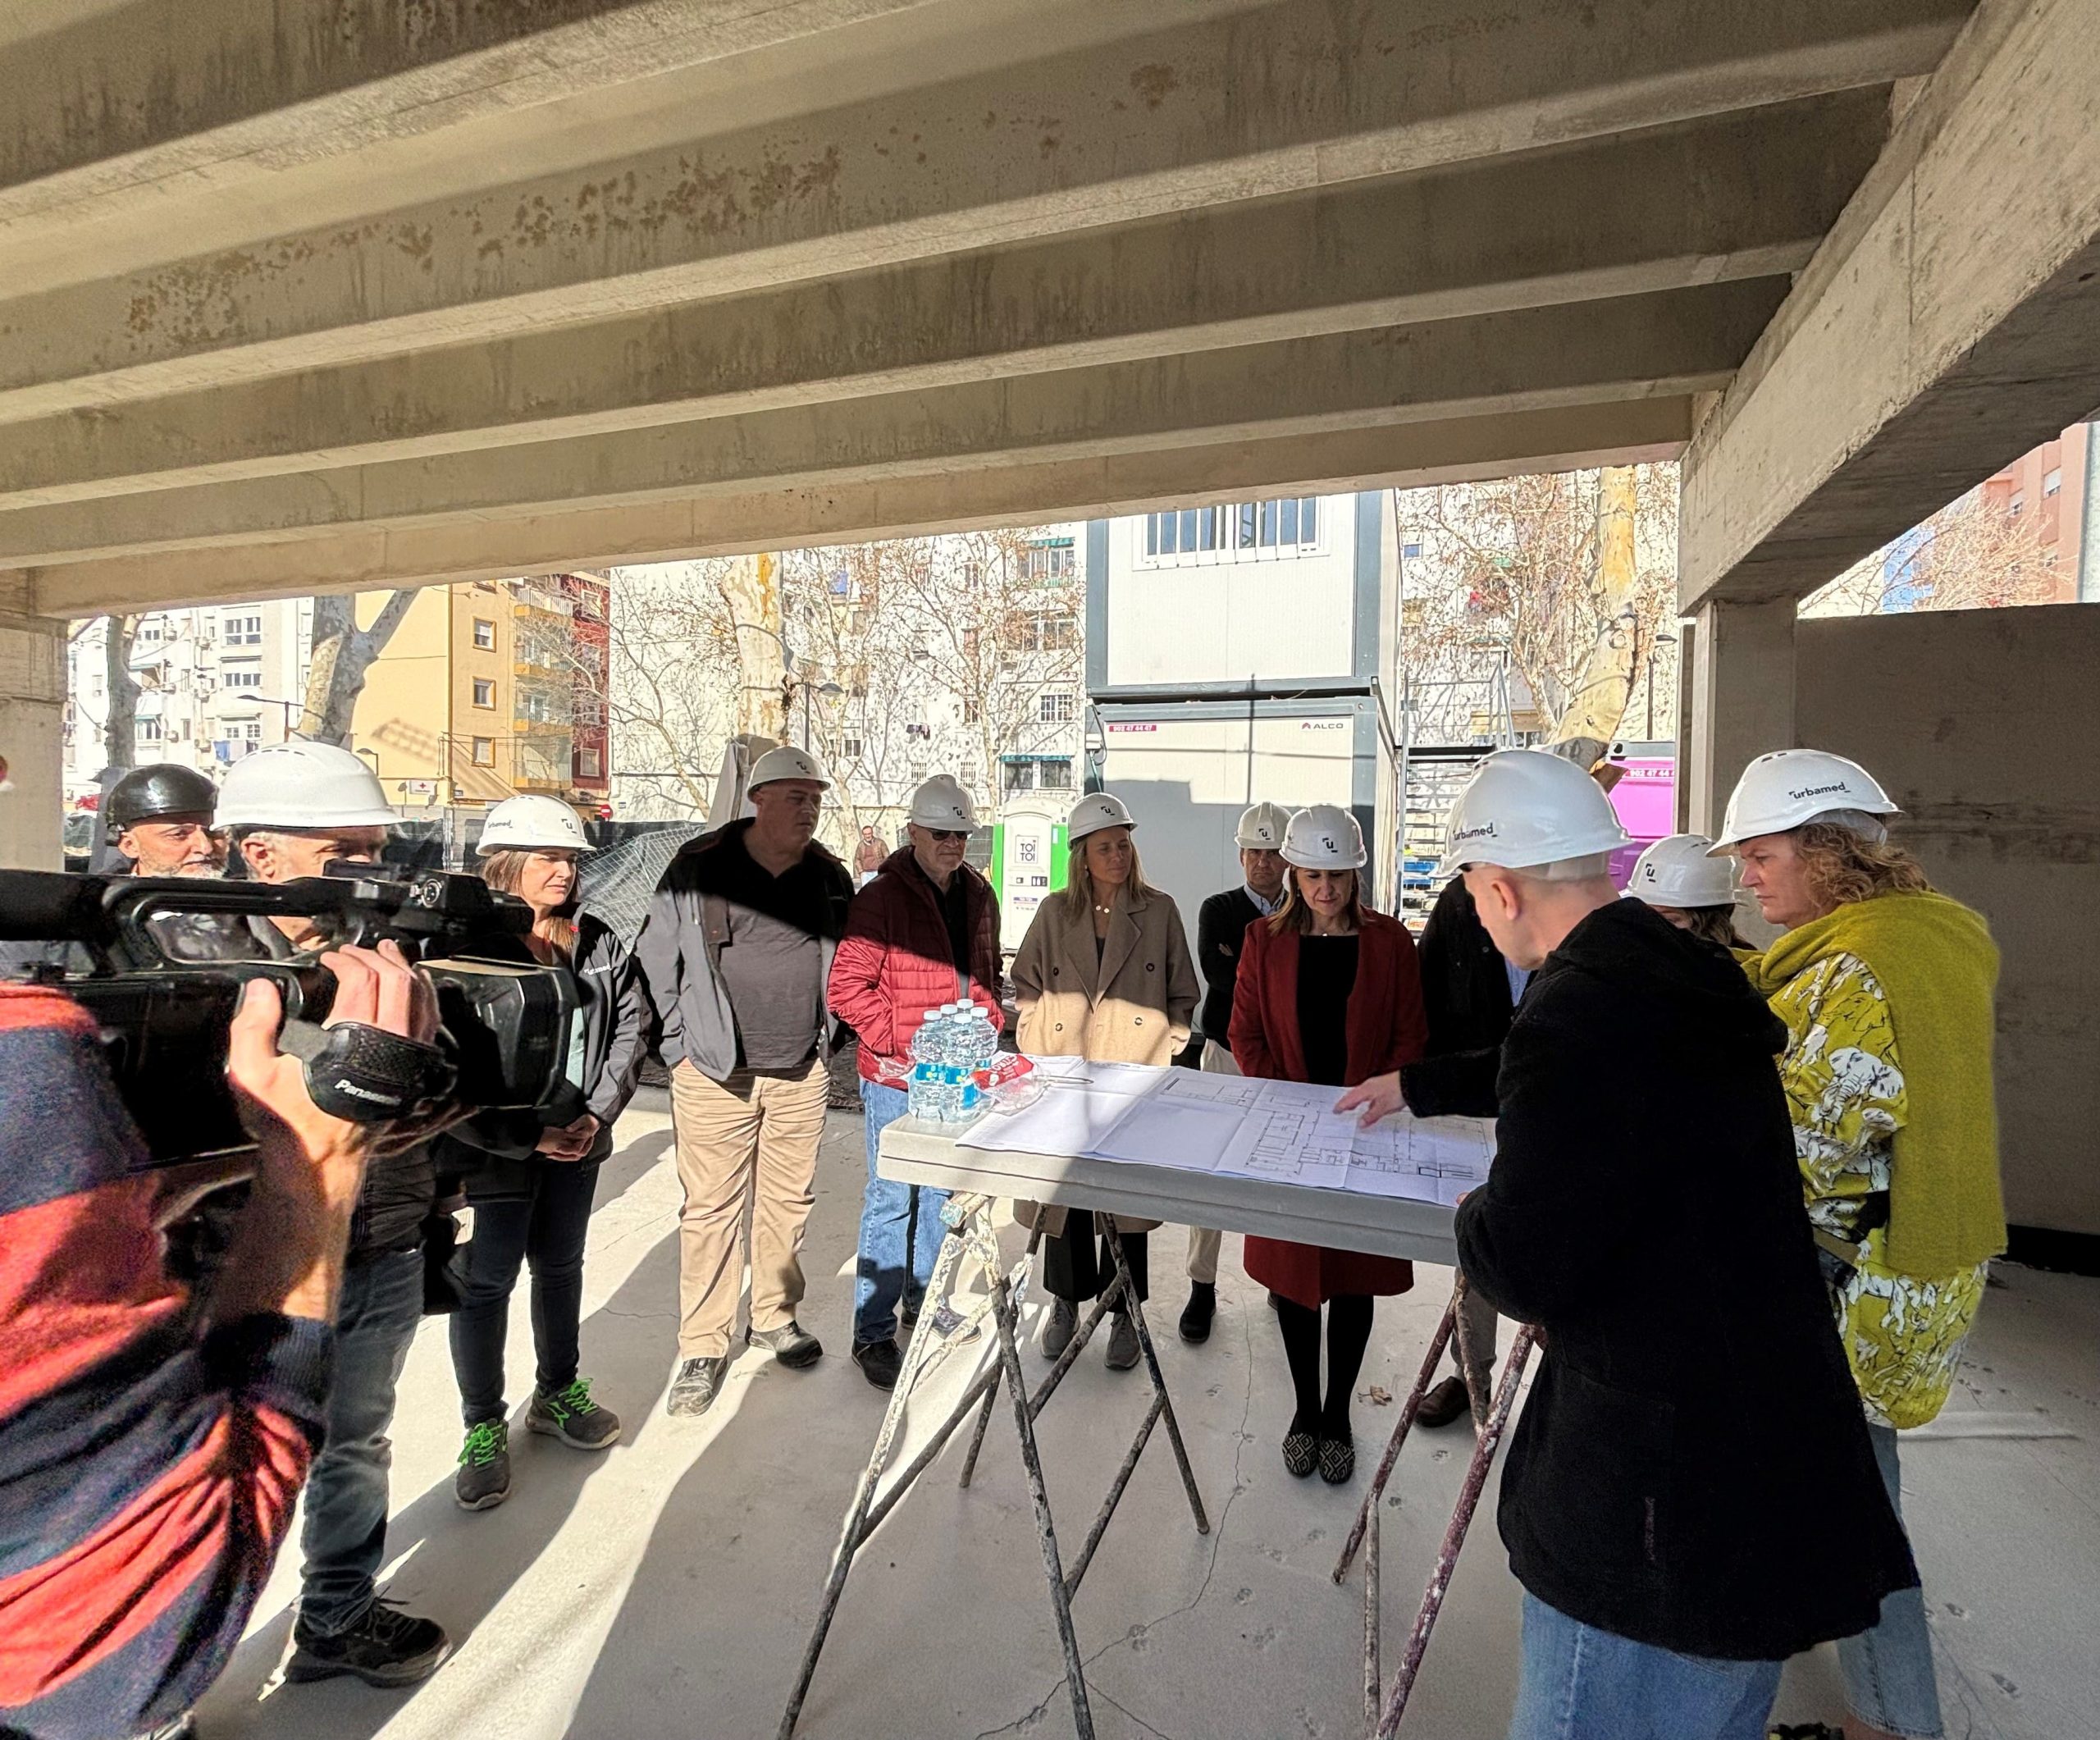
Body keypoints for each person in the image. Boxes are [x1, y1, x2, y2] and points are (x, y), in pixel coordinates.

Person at [1422, 748, 1915, 1740]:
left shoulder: (1579, 1011)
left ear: (1504, 887)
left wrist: (1478, 1206)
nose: (1475, 914)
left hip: (1655, 1505)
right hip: (1746, 1474)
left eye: (1473, 891)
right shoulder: (1687, 978)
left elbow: (1523, 1260)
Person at [0, 939, 439, 1740]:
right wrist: (315, 1166)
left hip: (367, 1262)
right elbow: (143, 1623)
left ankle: (339, 1607)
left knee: (360, 1440)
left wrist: (151, 1187)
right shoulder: (24, 1057)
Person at [1714, 749, 2004, 1740]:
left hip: (1848, 1287)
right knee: (1850, 1506)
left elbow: (1802, 1146)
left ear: (1825, 851)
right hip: (1911, 1267)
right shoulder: (1928, 939)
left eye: (1759, 856)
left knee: (1854, 1521)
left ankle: (1895, 1725)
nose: (1745, 879)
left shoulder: (1858, 968)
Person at [199, 741, 455, 1689]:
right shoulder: (195, 960)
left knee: (357, 1441)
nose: (368, 872)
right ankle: (175, 1674)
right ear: (260, 853)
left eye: (376, 849)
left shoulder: (389, 957)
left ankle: (337, 1617)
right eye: (343, 849)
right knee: (212, 1461)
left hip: (380, 1238)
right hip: (235, 1260)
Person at [637, 744, 855, 1419]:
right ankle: (704, 1345)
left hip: (799, 1071)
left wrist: (829, 1041)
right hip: (712, 1074)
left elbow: (846, 965)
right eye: (797, 797)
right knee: (710, 1213)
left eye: (816, 798)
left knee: (789, 1204)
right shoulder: (700, 867)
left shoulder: (828, 875)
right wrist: (677, 1046)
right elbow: (654, 958)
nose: (810, 809)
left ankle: (773, 1316)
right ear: (758, 800)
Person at [444, 797, 650, 1510]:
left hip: (578, 1137)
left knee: (560, 1266)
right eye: (549, 858)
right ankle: (482, 1427)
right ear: (506, 864)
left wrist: (594, 1114)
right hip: (495, 1144)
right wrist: (524, 1134)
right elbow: (450, 1059)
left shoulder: (598, 941)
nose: (563, 871)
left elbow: (630, 1026)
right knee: (488, 1278)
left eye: (570, 860)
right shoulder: (463, 943)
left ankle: (557, 1391)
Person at [1229, 806, 1427, 1484]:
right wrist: (1289, 1101)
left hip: (1364, 1131)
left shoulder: (1391, 943)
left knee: (1351, 1276)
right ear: (1292, 871)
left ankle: (1339, 1409)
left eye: (1337, 874)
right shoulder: (1263, 940)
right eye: (1312, 874)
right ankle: (1304, 1408)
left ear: (1355, 872)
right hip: (1291, 1134)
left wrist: (1375, 1095)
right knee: (1295, 1278)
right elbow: (1245, 1033)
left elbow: (1409, 1035)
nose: (1325, 888)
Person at [1010, 791, 1198, 1372]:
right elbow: (1026, 985)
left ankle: (1123, 1311)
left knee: (1125, 1203)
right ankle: (1065, 1302)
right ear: (1082, 854)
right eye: (1105, 846)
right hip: (1063, 1076)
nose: (1118, 854)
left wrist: (1162, 1049)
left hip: (1131, 1078)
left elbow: (1182, 993)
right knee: (1062, 1198)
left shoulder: (1158, 910)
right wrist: (1037, 1038)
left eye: (1123, 844)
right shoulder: (1054, 911)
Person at [826, 775, 1002, 1391]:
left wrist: (988, 1019)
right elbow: (846, 989)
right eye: (942, 834)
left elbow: (983, 972)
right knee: (892, 1194)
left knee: (939, 1194)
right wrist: (903, 1039)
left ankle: (924, 1303)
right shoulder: (883, 900)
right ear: (914, 834)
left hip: (956, 1071)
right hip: (898, 1078)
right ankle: (872, 1332)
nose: (954, 844)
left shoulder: (978, 892)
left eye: (961, 834)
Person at [1180, 800, 1290, 1344]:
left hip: (1283, 1064)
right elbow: (1219, 976)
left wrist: (1250, 969)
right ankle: (1202, 1285)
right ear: (1241, 855)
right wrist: (1278, 978)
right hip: (1224, 1054)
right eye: (1256, 852)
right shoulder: (1217, 909)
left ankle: (1279, 1274)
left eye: (1274, 853)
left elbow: (1244, 973)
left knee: (1277, 1169)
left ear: (1288, 858)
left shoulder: (1305, 908)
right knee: (1213, 1170)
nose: (1264, 862)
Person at [1625, 832, 1750, 949]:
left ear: (1711, 925)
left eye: (1668, 921)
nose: (1649, 929)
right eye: (1642, 916)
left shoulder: (1742, 970)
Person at [104, 763, 226, 878]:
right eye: (179, 834)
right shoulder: (100, 897)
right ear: (130, 846)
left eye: (214, 832)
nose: (206, 848)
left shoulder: (242, 895)